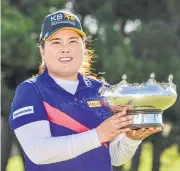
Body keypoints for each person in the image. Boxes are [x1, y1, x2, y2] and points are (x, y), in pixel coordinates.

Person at [9, 10, 162, 171]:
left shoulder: (103, 91)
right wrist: (98, 135)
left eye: (73, 41)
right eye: (56, 42)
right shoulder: (30, 91)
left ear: (84, 46)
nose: (65, 49)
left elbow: (115, 157)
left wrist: (132, 139)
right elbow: (38, 151)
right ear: (42, 50)